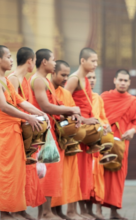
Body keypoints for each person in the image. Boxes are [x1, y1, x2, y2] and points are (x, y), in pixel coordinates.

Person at [0, 45, 47, 220]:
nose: (11, 60)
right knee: (6, 173)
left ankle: (16, 210)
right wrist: (29, 118)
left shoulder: (6, 81)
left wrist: (40, 113)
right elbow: (4, 106)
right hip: (3, 133)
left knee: (17, 173)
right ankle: (5, 213)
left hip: (14, 132)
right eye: (8, 57)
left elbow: (21, 101)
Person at [28, 49, 81, 220]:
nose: (54, 63)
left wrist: (70, 114)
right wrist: (71, 109)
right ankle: (45, 212)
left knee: (49, 171)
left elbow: (56, 106)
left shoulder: (45, 81)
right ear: (44, 62)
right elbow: (46, 107)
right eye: (52, 60)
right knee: (46, 171)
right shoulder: (38, 80)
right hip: (42, 134)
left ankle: (44, 213)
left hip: (50, 132)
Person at [7, 47, 45, 220]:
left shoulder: (25, 80)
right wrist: (28, 119)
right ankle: (14, 210)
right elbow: (12, 106)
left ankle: (21, 208)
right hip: (16, 130)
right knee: (16, 172)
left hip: (27, 130)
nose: (34, 63)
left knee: (27, 172)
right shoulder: (13, 79)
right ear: (30, 61)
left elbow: (25, 104)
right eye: (34, 60)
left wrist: (39, 115)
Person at [65, 48, 100, 220]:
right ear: (82, 61)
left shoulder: (85, 80)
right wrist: (84, 121)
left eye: (96, 61)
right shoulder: (73, 79)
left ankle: (77, 211)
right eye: (93, 61)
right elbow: (63, 103)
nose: (96, 64)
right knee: (74, 172)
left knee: (83, 173)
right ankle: (70, 211)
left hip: (85, 133)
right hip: (76, 131)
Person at [101, 69, 136, 220]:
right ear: (114, 80)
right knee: (101, 174)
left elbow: (135, 122)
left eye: (126, 81)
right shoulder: (104, 97)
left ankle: (113, 211)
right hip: (105, 141)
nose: (123, 83)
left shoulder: (133, 101)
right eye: (120, 80)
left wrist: (132, 131)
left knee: (118, 176)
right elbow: (97, 116)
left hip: (122, 143)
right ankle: (97, 211)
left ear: (129, 83)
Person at [49, 60, 85, 220]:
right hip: (51, 137)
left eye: (67, 75)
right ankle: (50, 212)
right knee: (52, 174)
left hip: (65, 139)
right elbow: (46, 108)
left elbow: (72, 112)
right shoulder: (46, 89)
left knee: (65, 176)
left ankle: (62, 211)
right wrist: (67, 114)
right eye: (62, 75)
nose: (65, 78)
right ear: (52, 72)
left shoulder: (65, 93)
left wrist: (77, 117)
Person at [86, 71, 111, 220]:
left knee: (99, 178)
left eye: (94, 77)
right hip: (86, 143)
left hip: (98, 143)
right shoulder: (79, 96)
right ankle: (86, 210)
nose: (92, 80)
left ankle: (99, 211)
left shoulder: (97, 98)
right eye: (89, 78)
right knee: (86, 178)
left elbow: (103, 117)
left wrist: (106, 125)